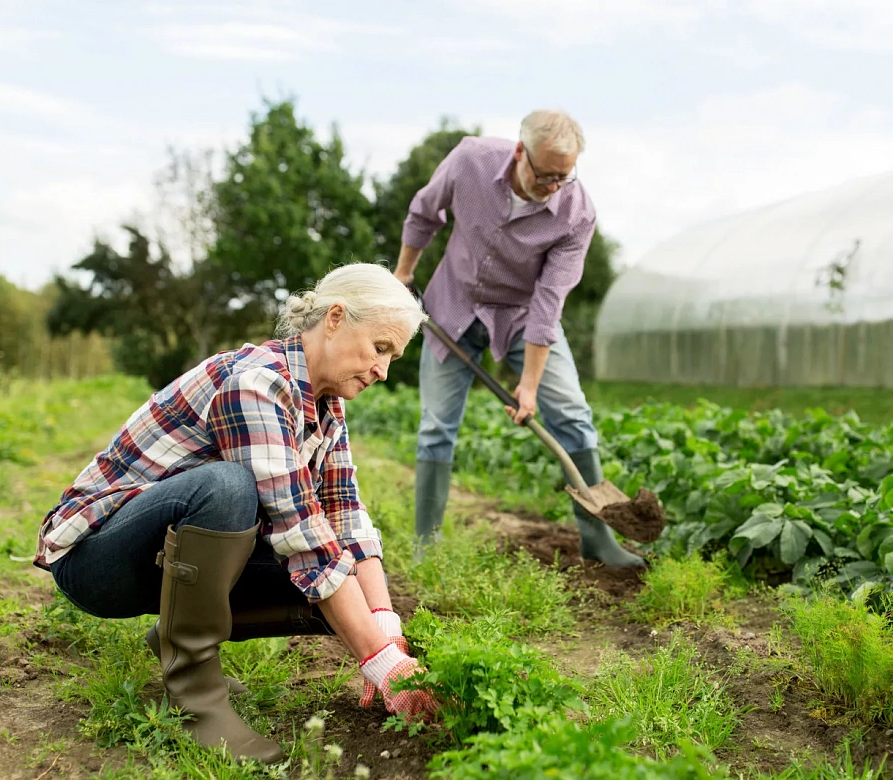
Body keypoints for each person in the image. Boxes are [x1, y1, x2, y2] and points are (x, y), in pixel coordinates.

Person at [34, 263, 440, 764]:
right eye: (380, 348)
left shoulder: (326, 407)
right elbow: (303, 535)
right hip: (97, 560)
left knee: (341, 589)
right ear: (335, 318)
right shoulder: (256, 383)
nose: (383, 370)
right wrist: (377, 661)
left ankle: (176, 639)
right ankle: (195, 695)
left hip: (163, 559)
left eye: (393, 358)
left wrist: (387, 636)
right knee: (229, 489)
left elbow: (345, 515)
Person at [393, 109, 644, 569]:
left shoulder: (576, 213)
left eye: (562, 178)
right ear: (519, 152)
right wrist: (403, 275)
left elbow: (550, 302)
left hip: (523, 316)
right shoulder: (470, 160)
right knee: (436, 426)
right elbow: (424, 212)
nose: (553, 186)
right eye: (545, 174)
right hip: (454, 303)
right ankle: (425, 545)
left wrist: (528, 383)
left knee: (571, 413)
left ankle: (599, 539)